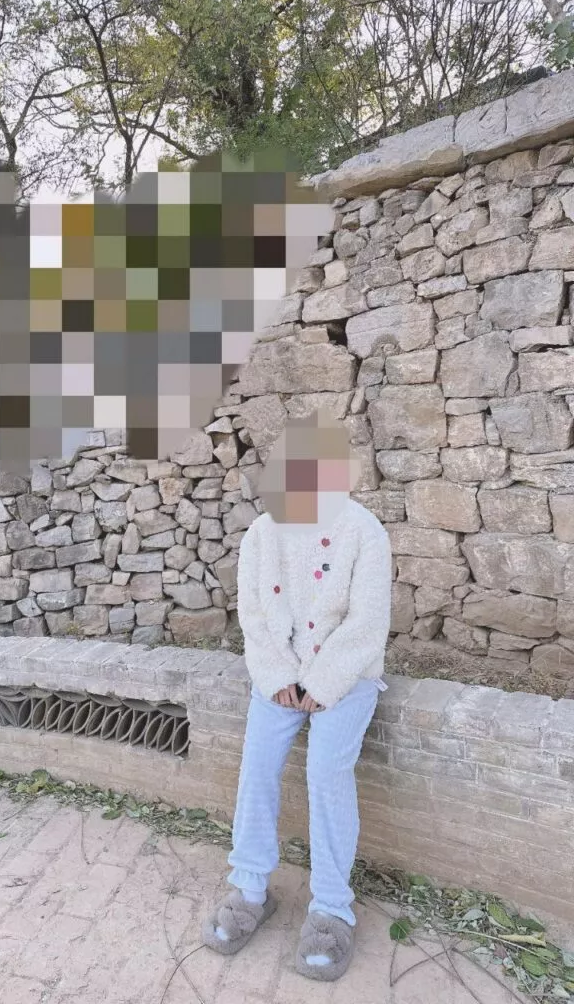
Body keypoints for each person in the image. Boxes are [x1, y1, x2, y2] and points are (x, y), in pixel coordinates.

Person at [200, 408, 392, 982]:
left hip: (346, 677)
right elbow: (255, 614)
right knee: (257, 766)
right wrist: (277, 674)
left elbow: (367, 622)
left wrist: (325, 682)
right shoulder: (263, 533)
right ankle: (248, 888)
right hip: (279, 678)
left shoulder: (364, 530)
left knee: (327, 773)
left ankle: (332, 908)